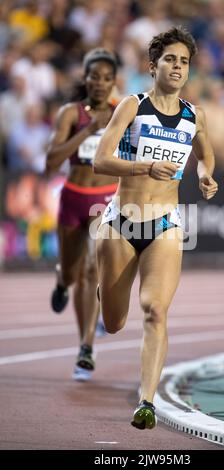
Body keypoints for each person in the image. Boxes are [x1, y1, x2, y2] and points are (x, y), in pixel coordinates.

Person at [93, 27, 218, 429]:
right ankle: (104, 290)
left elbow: (205, 154)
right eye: (170, 59)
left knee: (155, 311)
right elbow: (99, 160)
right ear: (153, 66)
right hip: (121, 221)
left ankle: (146, 401)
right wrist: (144, 167)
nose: (178, 67)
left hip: (166, 223)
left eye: (184, 61)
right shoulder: (133, 106)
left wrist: (204, 175)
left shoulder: (193, 114)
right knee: (113, 323)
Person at [45, 48, 118, 381]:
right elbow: (51, 161)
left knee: (92, 269)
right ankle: (61, 281)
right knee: (73, 274)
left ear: (113, 82)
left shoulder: (123, 112)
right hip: (73, 199)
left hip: (104, 199)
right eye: (94, 77)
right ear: (85, 79)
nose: (100, 84)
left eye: (107, 78)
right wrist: (89, 131)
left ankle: (86, 348)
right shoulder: (71, 113)